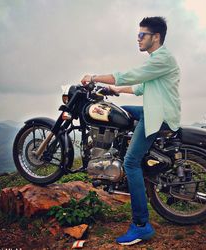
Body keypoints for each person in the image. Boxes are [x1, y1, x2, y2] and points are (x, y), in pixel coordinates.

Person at [81, 16, 181, 246]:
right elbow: (140, 86)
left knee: (131, 163)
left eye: (141, 35)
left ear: (155, 37)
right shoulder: (158, 60)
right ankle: (115, 150)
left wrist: (94, 77)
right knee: (118, 111)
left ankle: (140, 225)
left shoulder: (162, 59)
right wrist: (114, 90)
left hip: (158, 115)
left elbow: (130, 75)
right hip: (154, 109)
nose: (138, 39)